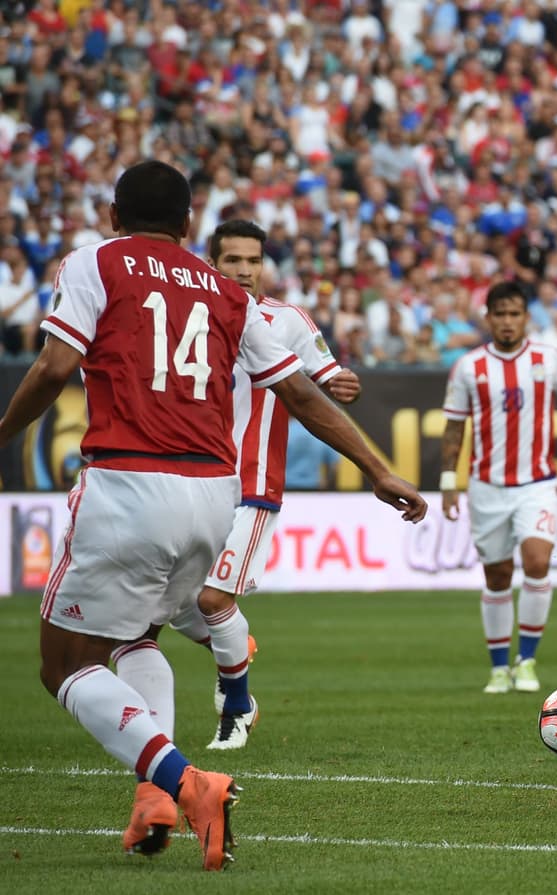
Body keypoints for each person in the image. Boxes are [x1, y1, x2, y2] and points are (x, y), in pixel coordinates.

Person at [0, 160, 426, 871]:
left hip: (129, 480)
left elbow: (51, 367)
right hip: (212, 497)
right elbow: (300, 393)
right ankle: (152, 797)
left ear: (113, 215)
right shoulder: (228, 296)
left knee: (64, 663)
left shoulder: (96, 262)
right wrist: (378, 469)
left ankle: (187, 783)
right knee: (138, 636)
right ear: (191, 225)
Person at [165, 219, 363, 751]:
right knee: (164, 603)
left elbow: (323, 377)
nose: (245, 270)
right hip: (185, 478)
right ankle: (233, 645)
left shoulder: (287, 320)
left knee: (211, 598)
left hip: (251, 484)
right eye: (233, 260)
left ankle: (236, 709)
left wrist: (340, 383)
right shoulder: (185, 310)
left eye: (253, 261)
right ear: (211, 263)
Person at [440, 281, 557, 695]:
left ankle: (526, 661)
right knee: (496, 574)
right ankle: (498, 667)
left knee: (536, 562)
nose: (508, 322)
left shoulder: (550, 360)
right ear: (488, 318)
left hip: (538, 483)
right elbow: (453, 429)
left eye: (515, 314)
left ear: (526, 317)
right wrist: (447, 482)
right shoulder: (468, 367)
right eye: (500, 314)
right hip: (486, 485)